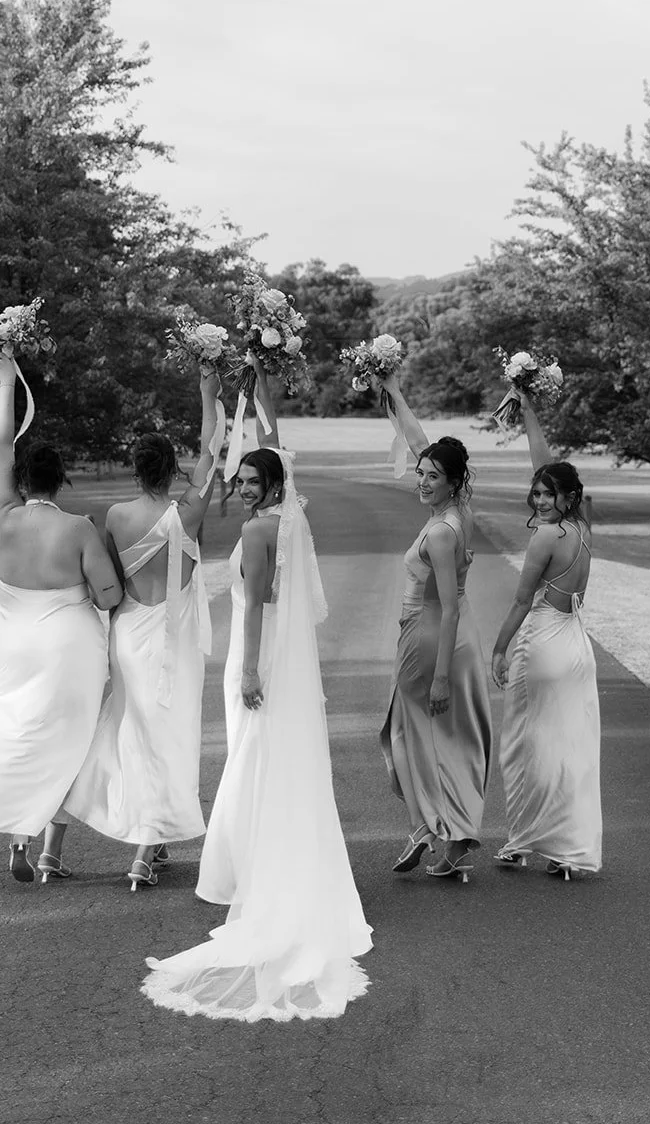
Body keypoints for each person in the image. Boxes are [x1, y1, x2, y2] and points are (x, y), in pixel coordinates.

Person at [141, 356, 372, 1022]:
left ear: (272, 485)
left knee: (251, 751)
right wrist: (255, 380)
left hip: (257, 652)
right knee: (270, 753)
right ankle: (270, 861)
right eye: (239, 479)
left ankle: (247, 871)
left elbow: (260, 605)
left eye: (250, 479)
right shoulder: (291, 521)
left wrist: (247, 671)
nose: (241, 487)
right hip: (273, 652)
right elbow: (273, 440)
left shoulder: (258, 529)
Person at [0, 352, 120, 882]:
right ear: (61, 481)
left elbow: (1, 441)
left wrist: (5, 381)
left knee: (16, 729)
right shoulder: (79, 529)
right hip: (67, 647)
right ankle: (45, 846)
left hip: (12, 642)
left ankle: (18, 835)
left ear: (21, 479)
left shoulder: (3, 515)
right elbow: (108, 597)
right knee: (67, 744)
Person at [64, 366, 222, 890]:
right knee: (169, 737)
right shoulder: (190, 510)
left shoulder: (115, 515)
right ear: (173, 468)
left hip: (129, 634)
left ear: (135, 470)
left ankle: (138, 838)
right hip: (173, 637)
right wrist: (208, 394)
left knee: (129, 733)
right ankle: (144, 851)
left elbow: (111, 584)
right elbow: (212, 450)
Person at [378, 373, 493, 883]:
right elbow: (419, 442)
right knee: (450, 737)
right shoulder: (459, 510)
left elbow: (447, 608)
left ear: (452, 482)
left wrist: (441, 677)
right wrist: (394, 390)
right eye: (420, 473)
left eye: (432, 476)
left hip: (430, 635)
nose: (422, 480)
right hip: (454, 635)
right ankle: (451, 839)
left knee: (405, 732)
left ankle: (426, 826)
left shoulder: (442, 533)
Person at [491, 390, 602, 879]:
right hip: (577, 647)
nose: (538, 500)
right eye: (536, 494)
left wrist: (499, 649)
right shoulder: (581, 528)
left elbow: (520, 602)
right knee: (568, 749)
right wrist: (529, 410)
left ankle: (520, 843)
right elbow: (548, 466)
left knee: (523, 746)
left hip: (542, 644)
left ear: (566, 498)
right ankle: (566, 850)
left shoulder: (545, 536)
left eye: (546, 495)